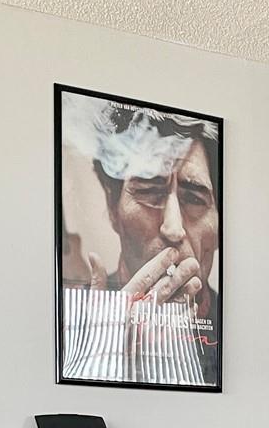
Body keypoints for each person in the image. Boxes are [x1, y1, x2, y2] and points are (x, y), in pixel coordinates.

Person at [59, 97, 220, 387]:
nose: (173, 228)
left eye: (195, 199)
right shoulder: (70, 324)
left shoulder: (251, 334)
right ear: (113, 205)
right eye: (148, 191)